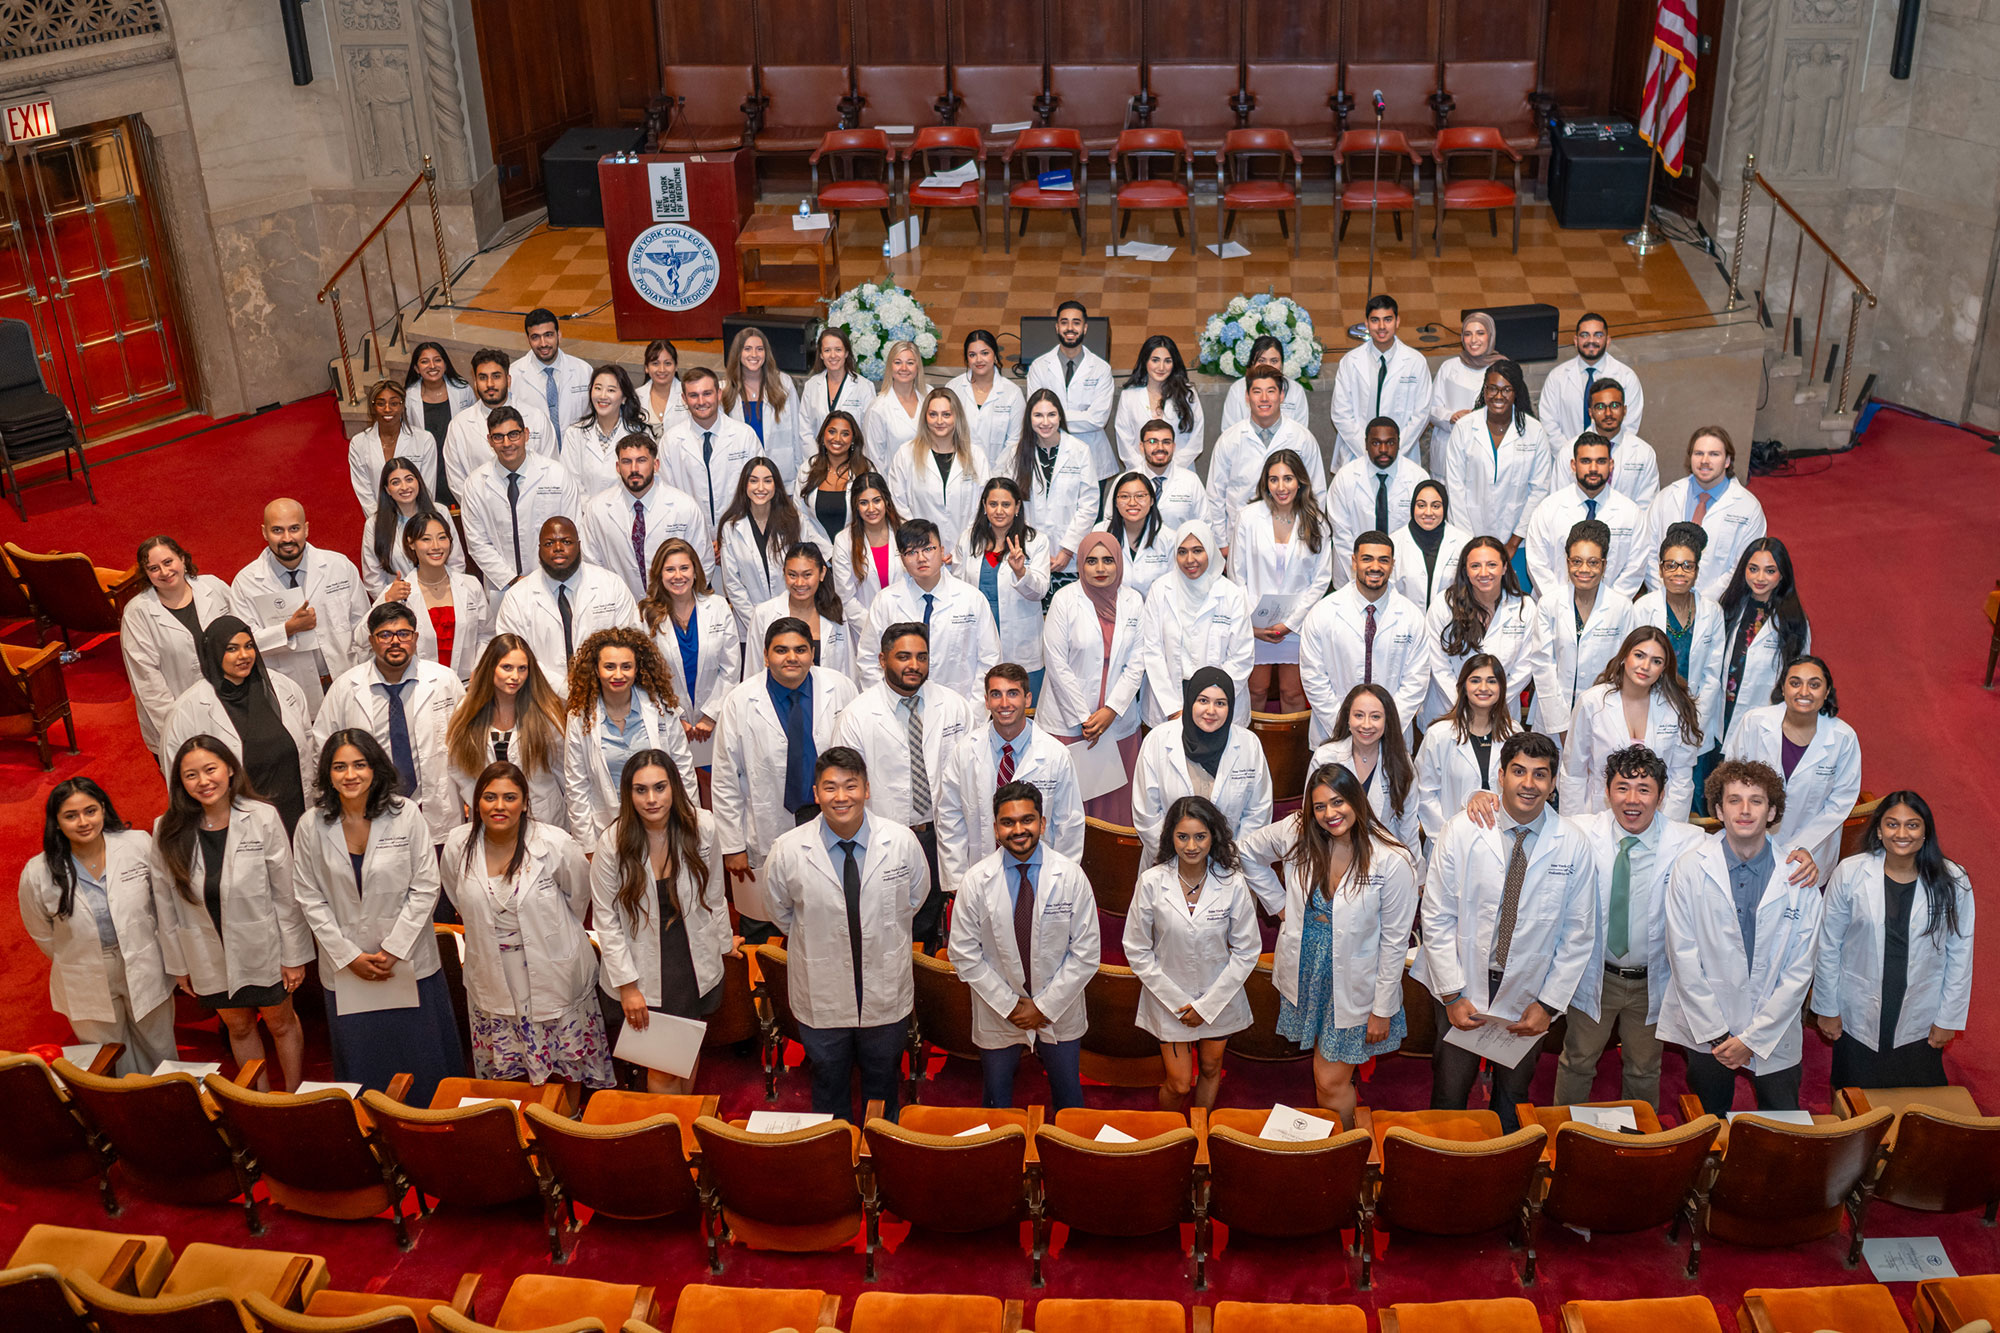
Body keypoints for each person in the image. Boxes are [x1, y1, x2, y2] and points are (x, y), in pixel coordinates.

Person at [1417, 732, 1596, 1133]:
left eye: (1540, 775)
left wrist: (1548, 1006)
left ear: (1552, 784)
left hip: (1528, 994)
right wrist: (1451, 993)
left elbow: (1578, 934)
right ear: (1500, 775)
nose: (1528, 784)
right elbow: (1437, 914)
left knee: (1513, 1098)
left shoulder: (1573, 844)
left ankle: (1501, 1179)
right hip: (1463, 985)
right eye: (1519, 772)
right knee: (1450, 1092)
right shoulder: (1462, 830)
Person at [1240, 763, 1419, 1126]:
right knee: (1330, 1074)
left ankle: (1349, 1149)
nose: (1329, 814)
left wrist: (1382, 1008)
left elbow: (1395, 942)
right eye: (1319, 807)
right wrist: (1279, 907)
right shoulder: (1298, 831)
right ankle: (1348, 1140)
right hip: (1310, 970)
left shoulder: (1392, 859)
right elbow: (1246, 851)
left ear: (1356, 799)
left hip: (1358, 985)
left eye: (1338, 802)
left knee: (1328, 1078)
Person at [291, 730, 462, 1103]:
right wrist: (348, 955)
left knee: (422, 1065)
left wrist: (395, 949)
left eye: (359, 764)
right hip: (346, 969)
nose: (350, 775)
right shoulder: (311, 825)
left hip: (408, 963)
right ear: (327, 774)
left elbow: (426, 887)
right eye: (339, 767)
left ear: (375, 768)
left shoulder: (406, 814)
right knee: (367, 1072)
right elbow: (308, 895)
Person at [764, 748, 931, 1120]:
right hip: (822, 997)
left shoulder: (901, 842)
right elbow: (780, 911)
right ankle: (834, 1164)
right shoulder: (789, 850)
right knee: (827, 1083)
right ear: (816, 792)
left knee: (884, 1084)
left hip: (886, 994)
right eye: (830, 788)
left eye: (850, 786)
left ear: (867, 789)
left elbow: (915, 898)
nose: (841, 797)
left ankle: (883, 1157)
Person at [1659, 759, 1822, 1116]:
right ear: (1718, 809)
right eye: (1734, 800)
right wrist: (1718, 1033)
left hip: (1774, 1032)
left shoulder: (1799, 878)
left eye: (1756, 800)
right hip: (1709, 1029)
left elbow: (1800, 971)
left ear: (1773, 811)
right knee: (1707, 1126)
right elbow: (1683, 957)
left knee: (1781, 1127)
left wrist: (1753, 1039)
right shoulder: (1690, 868)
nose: (1744, 810)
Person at [153, 736, 312, 1091]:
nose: (203, 781)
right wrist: (179, 964)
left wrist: (294, 955)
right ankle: (261, 1099)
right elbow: (165, 903)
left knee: (280, 1023)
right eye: (191, 775)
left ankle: (294, 1093)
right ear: (179, 782)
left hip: (265, 946)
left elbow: (286, 894)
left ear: (229, 769)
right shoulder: (167, 828)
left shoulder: (261, 817)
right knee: (238, 1026)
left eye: (210, 769)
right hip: (207, 951)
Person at [1554, 744, 1706, 1109]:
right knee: (1577, 1060)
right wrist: (1485, 800)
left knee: (1643, 1067)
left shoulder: (1691, 843)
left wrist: (1797, 856)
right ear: (1607, 793)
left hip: (1651, 982)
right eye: (1622, 787)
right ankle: (1563, 1138)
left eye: (1644, 789)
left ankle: (1639, 1148)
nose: (1632, 799)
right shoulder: (1578, 832)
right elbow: (1526, 820)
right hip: (1596, 976)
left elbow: (1740, 850)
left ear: (1662, 795)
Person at [442, 761, 610, 1087]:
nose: (499, 806)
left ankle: (568, 1120)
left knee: (568, 1058)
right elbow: (458, 896)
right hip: (492, 971)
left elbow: (579, 895)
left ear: (525, 802)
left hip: (553, 965)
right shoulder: (457, 845)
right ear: (476, 802)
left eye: (509, 797)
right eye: (490, 797)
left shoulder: (554, 842)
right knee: (507, 1066)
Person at [950, 780, 1100, 1110]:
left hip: (1057, 1010)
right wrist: (1011, 1005)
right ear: (995, 829)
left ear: (1043, 823)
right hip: (999, 1008)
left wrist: (1043, 1006)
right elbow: (962, 952)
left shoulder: (1071, 876)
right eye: (1008, 822)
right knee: (997, 1098)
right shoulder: (976, 880)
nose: (1019, 829)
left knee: (1068, 1098)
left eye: (1027, 820)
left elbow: (1086, 953)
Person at [591, 750, 732, 1095]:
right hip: (640, 966)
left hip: (690, 957)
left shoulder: (703, 827)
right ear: (628, 793)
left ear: (675, 788)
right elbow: (606, 921)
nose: (651, 799)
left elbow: (714, 894)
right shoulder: (613, 843)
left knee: (686, 1053)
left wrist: (725, 944)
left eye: (659, 787)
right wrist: (627, 986)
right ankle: (669, 1143)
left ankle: (682, 1136)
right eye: (641, 790)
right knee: (663, 1069)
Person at [1813, 791, 1975, 1091]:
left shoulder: (1954, 880)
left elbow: (1960, 954)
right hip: (1857, 1004)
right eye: (1892, 824)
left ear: (1926, 831)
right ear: (1878, 829)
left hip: (1920, 1008)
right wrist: (1827, 1007)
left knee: (1915, 1100)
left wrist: (1948, 1018)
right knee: (1856, 1095)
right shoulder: (1850, 873)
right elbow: (1828, 945)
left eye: (1912, 825)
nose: (1902, 833)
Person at [19, 780, 179, 1077]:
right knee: (108, 1057)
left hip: (143, 959)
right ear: (56, 822)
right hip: (86, 971)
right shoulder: (37, 872)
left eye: (90, 811)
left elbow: (162, 904)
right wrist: (81, 953)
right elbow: (41, 932)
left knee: (159, 1047)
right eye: (71, 815)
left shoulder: (137, 844)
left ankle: (171, 1109)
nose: (83, 822)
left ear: (103, 809)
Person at [713, 619, 860, 940]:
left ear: (812, 653)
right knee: (765, 919)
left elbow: (859, 760)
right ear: (765, 655)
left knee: (829, 911)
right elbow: (725, 777)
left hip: (830, 814)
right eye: (781, 650)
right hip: (768, 821)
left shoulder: (841, 687)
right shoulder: (740, 700)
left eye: (800, 650)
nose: (791, 657)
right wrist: (733, 846)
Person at [832, 623, 976, 949]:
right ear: (882, 660)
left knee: (932, 923)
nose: (914, 665)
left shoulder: (953, 706)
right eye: (904, 657)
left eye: (922, 657)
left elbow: (972, 771)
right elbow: (844, 786)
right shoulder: (857, 715)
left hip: (940, 835)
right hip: (885, 836)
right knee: (887, 924)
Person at [1125, 795, 1260, 1111]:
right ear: (1170, 836)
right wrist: (1177, 1002)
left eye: (1200, 836)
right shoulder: (1151, 882)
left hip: (1219, 995)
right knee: (1179, 1082)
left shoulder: (1233, 882)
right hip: (1169, 998)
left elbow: (1247, 949)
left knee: (1212, 1068)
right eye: (1182, 836)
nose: (1191, 846)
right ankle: (1169, 1136)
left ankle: (1199, 1135)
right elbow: (1136, 948)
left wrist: (1209, 1004)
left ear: (1213, 836)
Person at [315, 601, 468, 848]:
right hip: (370, 808)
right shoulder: (345, 688)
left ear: (415, 638)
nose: (395, 641)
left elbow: (467, 747)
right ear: (372, 640)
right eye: (385, 634)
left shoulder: (444, 681)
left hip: (438, 809)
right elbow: (322, 751)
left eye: (403, 634)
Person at [937, 663, 1085, 893]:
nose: (1004, 703)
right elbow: (949, 817)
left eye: (1012, 694)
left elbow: (1069, 824)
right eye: (996, 695)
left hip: (1042, 878)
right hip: (980, 876)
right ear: (986, 702)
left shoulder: (1055, 755)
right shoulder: (965, 751)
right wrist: (957, 880)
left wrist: (1063, 880)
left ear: (1027, 699)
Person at [162, 616, 313, 836]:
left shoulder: (282, 687)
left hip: (296, 807)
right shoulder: (186, 711)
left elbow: (308, 744)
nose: (244, 656)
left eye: (249, 646)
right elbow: (178, 780)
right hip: (240, 822)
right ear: (213, 652)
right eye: (231, 649)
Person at [1723, 654, 1862, 884]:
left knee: (1799, 915)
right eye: (1795, 683)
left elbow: (1840, 803)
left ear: (1827, 692)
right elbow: (1730, 781)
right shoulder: (1755, 723)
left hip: (1809, 855)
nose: (1804, 691)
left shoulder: (1843, 738)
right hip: (1750, 843)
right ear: (1783, 688)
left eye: (1814, 685)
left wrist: (1800, 846)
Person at [1040, 533, 1148, 824]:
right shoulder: (1064, 599)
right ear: (1081, 565)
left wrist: (1111, 711)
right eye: (1091, 561)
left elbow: (1137, 661)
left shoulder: (1133, 601)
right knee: (1067, 811)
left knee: (1114, 812)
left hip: (1117, 723)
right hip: (1069, 723)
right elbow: (1056, 663)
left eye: (1108, 560)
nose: (1100, 568)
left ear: (1118, 564)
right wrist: (1086, 718)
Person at [560, 625, 697, 846]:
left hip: (663, 823)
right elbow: (577, 786)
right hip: (610, 828)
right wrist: (587, 845)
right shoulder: (579, 717)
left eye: (626, 667)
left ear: (637, 669)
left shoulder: (660, 707)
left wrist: (690, 821)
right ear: (596, 669)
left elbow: (683, 769)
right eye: (609, 667)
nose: (618, 675)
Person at [230, 499, 370, 714]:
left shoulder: (339, 566)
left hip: (346, 678)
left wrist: (364, 675)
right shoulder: (246, 583)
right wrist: (287, 629)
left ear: (306, 529)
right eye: (277, 530)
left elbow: (362, 625)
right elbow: (244, 644)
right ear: (264, 532)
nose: (287, 538)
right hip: (291, 689)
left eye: (294, 528)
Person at [1132, 668, 1272, 881]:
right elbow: (1146, 814)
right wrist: (1178, 858)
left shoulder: (1248, 744)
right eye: (1203, 700)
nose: (1211, 711)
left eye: (1220, 703)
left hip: (1230, 865)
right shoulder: (1158, 740)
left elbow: (1258, 812)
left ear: (1231, 707)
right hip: (1168, 864)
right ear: (1190, 701)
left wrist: (1228, 859)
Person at [1557, 627, 1704, 821]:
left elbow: (1680, 777)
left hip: (1657, 817)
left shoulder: (1676, 709)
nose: (1645, 666)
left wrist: (1669, 829)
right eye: (1639, 655)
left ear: (1663, 670)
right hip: (1600, 815)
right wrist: (1574, 826)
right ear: (1625, 657)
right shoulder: (1592, 702)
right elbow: (1574, 772)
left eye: (1656, 661)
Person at [1300, 531, 1431, 748]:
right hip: (1334, 733)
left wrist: (1385, 726)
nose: (1375, 566)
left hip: (1392, 736)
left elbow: (1416, 680)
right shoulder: (1323, 613)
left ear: (1393, 565)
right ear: (1354, 562)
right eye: (1367, 558)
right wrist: (1343, 725)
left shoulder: (1411, 616)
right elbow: (1313, 677)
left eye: (1384, 560)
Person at [1230, 448, 1333, 713]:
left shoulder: (1315, 521)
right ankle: (1253, 751)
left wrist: (1289, 623)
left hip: (1296, 624)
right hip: (1255, 622)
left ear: (1300, 481)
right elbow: (1237, 574)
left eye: (1288, 478)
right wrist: (1255, 620)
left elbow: (1320, 580)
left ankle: (1292, 755)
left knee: (1292, 692)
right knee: (1255, 689)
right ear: (1265, 482)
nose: (1281, 486)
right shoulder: (1248, 517)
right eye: (1274, 479)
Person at [858, 519, 1000, 703]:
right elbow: (868, 660)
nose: (921, 558)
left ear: (941, 551)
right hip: (899, 706)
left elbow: (990, 660)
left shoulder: (971, 599)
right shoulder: (885, 602)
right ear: (902, 559)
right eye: (911, 552)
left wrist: (973, 713)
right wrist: (889, 704)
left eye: (928, 549)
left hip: (960, 706)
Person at [493, 517, 642, 690]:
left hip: (605, 692)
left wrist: (594, 684)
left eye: (566, 541)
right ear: (539, 550)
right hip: (541, 695)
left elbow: (632, 641)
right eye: (549, 543)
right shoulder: (517, 597)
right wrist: (563, 689)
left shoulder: (611, 585)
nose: (558, 548)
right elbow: (513, 656)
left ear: (579, 546)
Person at [458, 407, 586, 605]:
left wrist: (545, 577)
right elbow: (477, 543)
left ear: (526, 434)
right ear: (490, 440)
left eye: (513, 434)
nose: (507, 443)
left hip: (553, 581)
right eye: (498, 437)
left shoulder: (556, 475)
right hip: (504, 588)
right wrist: (512, 580)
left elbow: (573, 529)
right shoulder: (475, 484)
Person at [123, 536, 234, 759]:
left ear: (182, 559)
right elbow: (148, 682)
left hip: (231, 705)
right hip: (179, 718)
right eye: (153, 568)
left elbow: (242, 635)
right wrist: (179, 729)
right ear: (146, 574)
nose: (164, 572)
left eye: (168, 562)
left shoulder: (213, 586)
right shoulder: (137, 614)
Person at [447, 634, 569, 833]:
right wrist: (482, 803)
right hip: (489, 818)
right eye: (507, 667)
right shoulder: (467, 710)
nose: (516, 676)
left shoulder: (546, 712)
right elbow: (459, 768)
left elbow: (564, 770)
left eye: (522, 668)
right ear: (490, 667)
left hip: (542, 817)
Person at [1439, 359, 1551, 575]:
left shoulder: (1534, 431)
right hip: (1469, 536)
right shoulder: (1465, 428)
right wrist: (1470, 542)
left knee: (1516, 600)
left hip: (1517, 544)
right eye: (1492, 388)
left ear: (1516, 392)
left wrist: (1513, 542)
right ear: (1484, 390)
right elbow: (1455, 487)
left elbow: (1539, 490)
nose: (1498, 396)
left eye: (1506, 389)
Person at [1424, 535, 1546, 727]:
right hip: (1449, 709)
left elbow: (1525, 665)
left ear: (1505, 567)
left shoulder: (1525, 607)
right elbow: (1439, 665)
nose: (1484, 572)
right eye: (1475, 566)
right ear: (1465, 570)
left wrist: (1493, 703)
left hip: (1502, 711)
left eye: (1491, 564)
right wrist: (1464, 704)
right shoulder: (1444, 605)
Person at [1528, 519, 1636, 737]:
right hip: (1552, 715)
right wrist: (1560, 723)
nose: (1584, 569)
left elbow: (1624, 667)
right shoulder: (1549, 604)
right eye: (1576, 561)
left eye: (1593, 562)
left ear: (1604, 565)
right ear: (1567, 562)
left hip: (1604, 713)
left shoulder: (1621, 607)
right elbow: (1542, 664)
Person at [1140, 520, 1254, 726]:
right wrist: (1173, 708)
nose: (1189, 559)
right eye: (1182, 552)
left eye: (1197, 550)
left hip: (1219, 699)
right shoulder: (1160, 590)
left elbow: (1241, 657)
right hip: (1170, 697)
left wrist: (1211, 703)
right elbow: (1152, 652)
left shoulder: (1232, 595)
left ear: (1210, 550)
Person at [641, 538, 741, 761]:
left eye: (684, 568)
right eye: (670, 570)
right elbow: (647, 675)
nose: (678, 576)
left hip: (714, 722)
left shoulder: (718, 606)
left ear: (695, 571)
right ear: (659, 575)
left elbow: (731, 668)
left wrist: (711, 714)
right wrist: (674, 715)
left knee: (718, 788)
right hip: (670, 723)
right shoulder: (647, 616)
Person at [581, 432, 711, 601]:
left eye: (641, 461)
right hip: (621, 609)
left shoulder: (684, 507)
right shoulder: (597, 509)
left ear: (656, 465)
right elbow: (592, 566)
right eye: (626, 462)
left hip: (675, 606)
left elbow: (703, 564)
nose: (634, 469)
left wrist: (681, 605)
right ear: (618, 467)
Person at [1203, 365, 1326, 544]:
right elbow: (1215, 495)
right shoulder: (1229, 440)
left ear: (1281, 395)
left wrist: (1312, 534)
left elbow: (1318, 491)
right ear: (1247, 396)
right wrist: (1221, 543)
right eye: (1257, 392)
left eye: (1271, 391)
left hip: (1293, 537)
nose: (1264, 399)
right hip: (1241, 538)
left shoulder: (1302, 439)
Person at [1643, 427, 1767, 603]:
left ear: (1727, 461)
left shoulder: (1748, 508)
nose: (1705, 461)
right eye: (1698, 453)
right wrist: (1665, 594)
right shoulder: (1667, 497)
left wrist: (1702, 603)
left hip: (1719, 605)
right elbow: (1648, 550)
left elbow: (1743, 566)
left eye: (1714, 454)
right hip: (1663, 599)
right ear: (1690, 458)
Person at [1715, 537, 1811, 761]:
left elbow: (1798, 675)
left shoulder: (1794, 620)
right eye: (1753, 569)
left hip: (1764, 717)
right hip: (1720, 714)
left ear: (1782, 575)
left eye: (1770, 571)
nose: (1760, 578)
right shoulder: (1728, 606)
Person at [955, 477, 1051, 698]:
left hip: (1021, 641)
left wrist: (1021, 572)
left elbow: (1041, 590)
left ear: (1017, 507)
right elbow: (958, 588)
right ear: (984, 506)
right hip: (977, 634)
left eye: (1006, 505)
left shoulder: (1035, 541)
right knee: (981, 702)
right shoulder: (968, 539)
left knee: (1022, 707)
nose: (999, 511)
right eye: (993, 504)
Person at [1632, 523, 1725, 749]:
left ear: (1696, 570)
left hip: (1695, 715)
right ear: (1661, 569)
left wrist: (1694, 720)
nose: (1679, 572)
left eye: (1687, 566)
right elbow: (1634, 668)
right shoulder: (1643, 608)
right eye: (1671, 565)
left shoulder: (1712, 612)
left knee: (1690, 781)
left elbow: (1712, 676)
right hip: (1649, 712)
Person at [1522, 433, 1645, 599]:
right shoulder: (1548, 509)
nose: (1593, 468)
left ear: (1611, 465)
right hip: (1555, 609)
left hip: (1611, 615)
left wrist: (1609, 606)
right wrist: (1563, 606)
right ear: (1573, 465)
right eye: (1586, 461)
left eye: (1601, 461)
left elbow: (1634, 569)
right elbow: (1537, 564)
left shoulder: (1630, 513)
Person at [1310, 683, 1422, 862]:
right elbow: (1311, 816)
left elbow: (1408, 825)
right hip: (1333, 856)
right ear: (1347, 718)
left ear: (1387, 721)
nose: (1366, 725)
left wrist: (1416, 872)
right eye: (1358, 715)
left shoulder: (1401, 761)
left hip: (1385, 859)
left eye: (1376, 716)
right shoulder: (1325, 757)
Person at [1415, 655, 1519, 846]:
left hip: (1504, 841)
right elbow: (1424, 793)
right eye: (1475, 680)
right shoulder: (1439, 735)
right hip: (1449, 842)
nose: (1484, 688)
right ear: (1463, 687)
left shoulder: (1515, 733)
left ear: (1501, 688)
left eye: (1492, 681)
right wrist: (1447, 838)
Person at [1000, 389, 1096, 575]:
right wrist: (1032, 547)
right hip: (1026, 553)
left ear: (1060, 416)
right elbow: (1010, 505)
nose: (1045, 422)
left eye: (1051, 414)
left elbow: (1089, 505)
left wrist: (1068, 550)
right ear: (1029, 418)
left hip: (1068, 557)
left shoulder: (1079, 451)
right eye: (1038, 415)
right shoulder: (1015, 454)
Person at [441, 349, 558, 501]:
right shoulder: (459, 426)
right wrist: (486, 509)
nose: (490, 384)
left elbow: (550, 469)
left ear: (508, 380)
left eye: (496, 376)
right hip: (485, 513)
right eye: (483, 378)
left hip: (535, 510)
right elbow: (457, 481)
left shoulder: (536, 418)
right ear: (475, 383)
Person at [1331, 294, 1432, 469]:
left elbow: (1421, 414)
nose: (1382, 326)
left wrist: (1394, 450)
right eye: (1375, 320)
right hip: (1358, 454)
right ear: (1367, 323)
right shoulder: (1350, 361)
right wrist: (1368, 450)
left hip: (1402, 455)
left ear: (1397, 321)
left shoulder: (1416, 362)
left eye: (1388, 319)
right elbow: (1341, 413)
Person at [883, 384, 987, 543]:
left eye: (946, 414)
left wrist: (964, 545)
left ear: (957, 417)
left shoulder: (976, 456)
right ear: (925, 417)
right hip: (919, 548)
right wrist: (922, 543)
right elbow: (898, 506)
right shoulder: (906, 455)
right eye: (933, 414)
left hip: (967, 548)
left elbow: (983, 505)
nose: (939, 421)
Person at [1328, 418, 1429, 581]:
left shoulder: (1418, 478)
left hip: (1402, 574)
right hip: (1352, 575)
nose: (1383, 449)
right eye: (1376, 443)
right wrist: (1360, 576)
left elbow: (1421, 532)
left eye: (1390, 443)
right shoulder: (1345, 478)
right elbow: (1341, 535)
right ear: (1366, 444)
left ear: (1398, 443)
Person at [662, 366, 761, 532]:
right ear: (684, 399)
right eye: (693, 395)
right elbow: (667, 497)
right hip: (690, 534)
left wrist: (728, 534)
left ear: (719, 394)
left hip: (740, 531)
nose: (701, 402)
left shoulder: (744, 436)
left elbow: (759, 487)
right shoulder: (671, 441)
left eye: (707, 393)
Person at [1025, 300, 1117, 478]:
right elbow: (1035, 413)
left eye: (1076, 322)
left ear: (1085, 328)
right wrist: (1081, 415)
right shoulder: (1039, 367)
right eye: (1064, 322)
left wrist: (1053, 417)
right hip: (1049, 454)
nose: (1070, 328)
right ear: (1057, 327)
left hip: (1093, 458)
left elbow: (1098, 419)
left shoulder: (1101, 369)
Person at [716, 456, 804, 637]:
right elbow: (733, 584)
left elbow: (802, 572)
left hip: (793, 620)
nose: (761, 488)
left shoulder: (794, 521)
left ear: (776, 485)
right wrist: (758, 626)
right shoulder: (731, 527)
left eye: (768, 481)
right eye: (753, 481)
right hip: (749, 627)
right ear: (744, 485)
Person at [1537, 313, 1646, 451]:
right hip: (1567, 460)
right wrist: (1572, 456)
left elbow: (1629, 426)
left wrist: (1604, 456)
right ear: (1576, 341)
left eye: (1598, 335)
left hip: (1612, 459)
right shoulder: (1556, 377)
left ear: (1608, 341)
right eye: (1585, 335)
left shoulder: (1627, 378)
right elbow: (1548, 424)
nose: (1591, 340)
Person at [360, 457, 465, 596]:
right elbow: (373, 579)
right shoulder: (374, 524)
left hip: (443, 595)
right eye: (395, 482)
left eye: (409, 479)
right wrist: (393, 605)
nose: (404, 487)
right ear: (387, 490)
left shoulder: (440, 512)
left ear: (418, 482)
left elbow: (456, 562)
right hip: (400, 604)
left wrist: (448, 594)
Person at [748, 543, 855, 678]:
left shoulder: (835, 613)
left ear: (822, 573)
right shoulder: (763, 614)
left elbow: (848, 669)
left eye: (807, 575)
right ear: (784, 573)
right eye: (792, 575)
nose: (799, 583)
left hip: (825, 696)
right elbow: (753, 670)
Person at [347, 378, 440, 517]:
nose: (387, 409)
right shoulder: (358, 443)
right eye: (380, 404)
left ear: (403, 406)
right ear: (373, 407)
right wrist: (383, 522)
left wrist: (414, 520)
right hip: (379, 519)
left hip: (417, 518)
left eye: (394, 403)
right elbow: (364, 492)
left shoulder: (424, 440)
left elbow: (427, 488)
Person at [721, 325, 803, 483]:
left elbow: (797, 431)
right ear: (738, 353)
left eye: (759, 349)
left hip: (781, 472)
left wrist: (800, 474)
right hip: (741, 474)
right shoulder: (725, 390)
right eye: (747, 349)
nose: (754, 354)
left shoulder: (783, 383)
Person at [1115, 334, 1205, 470]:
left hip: (1181, 472)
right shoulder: (1129, 396)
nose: (1161, 367)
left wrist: (1168, 470)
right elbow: (1124, 441)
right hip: (1140, 475)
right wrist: (1146, 470)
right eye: (1155, 360)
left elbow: (1195, 441)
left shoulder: (1187, 394)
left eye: (1168, 361)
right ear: (1145, 361)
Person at [562, 365, 649, 500]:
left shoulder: (641, 434)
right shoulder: (574, 434)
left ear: (624, 398)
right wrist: (593, 513)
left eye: (611, 390)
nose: (602, 396)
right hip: (586, 515)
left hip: (628, 513)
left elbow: (647, 479)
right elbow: (571, 483)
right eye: (597, 388)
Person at [404, 341, 476, 505]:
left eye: (437, 360)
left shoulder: (463, 390)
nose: (432, 366)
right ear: (416, 368)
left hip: (458, 459)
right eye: (424, 361)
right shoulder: (409, 397)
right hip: (429, 464)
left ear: (445, 363)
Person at [830, 471, 906, 619]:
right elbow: (845, 598)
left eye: (877, 500)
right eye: (863, 503)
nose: (871, 509)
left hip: (907, 621)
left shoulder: (905, 531)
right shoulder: (844, 541)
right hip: (865, 627)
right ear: (856, 506)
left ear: (886, 501)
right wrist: (874, 629)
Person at [794, 410, 871, 552]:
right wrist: (827, 553)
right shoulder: (807, 469)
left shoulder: (866, 470)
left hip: (858, 552)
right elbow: (800, 515)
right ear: (823, 434)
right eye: (832, 431)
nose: (837, 438)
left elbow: (872, 516)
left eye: (845, 434)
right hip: (816, 554)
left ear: (853, 439)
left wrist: (844, 553)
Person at [1389, 480, 1470, 613]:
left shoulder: (1463, 543)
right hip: (1404, 624)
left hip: (1449, 624)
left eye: (1436, 506)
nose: (1428, 512)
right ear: (1412, 508)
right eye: (1421, 505)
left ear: (1445, 508)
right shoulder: (1394, 543)